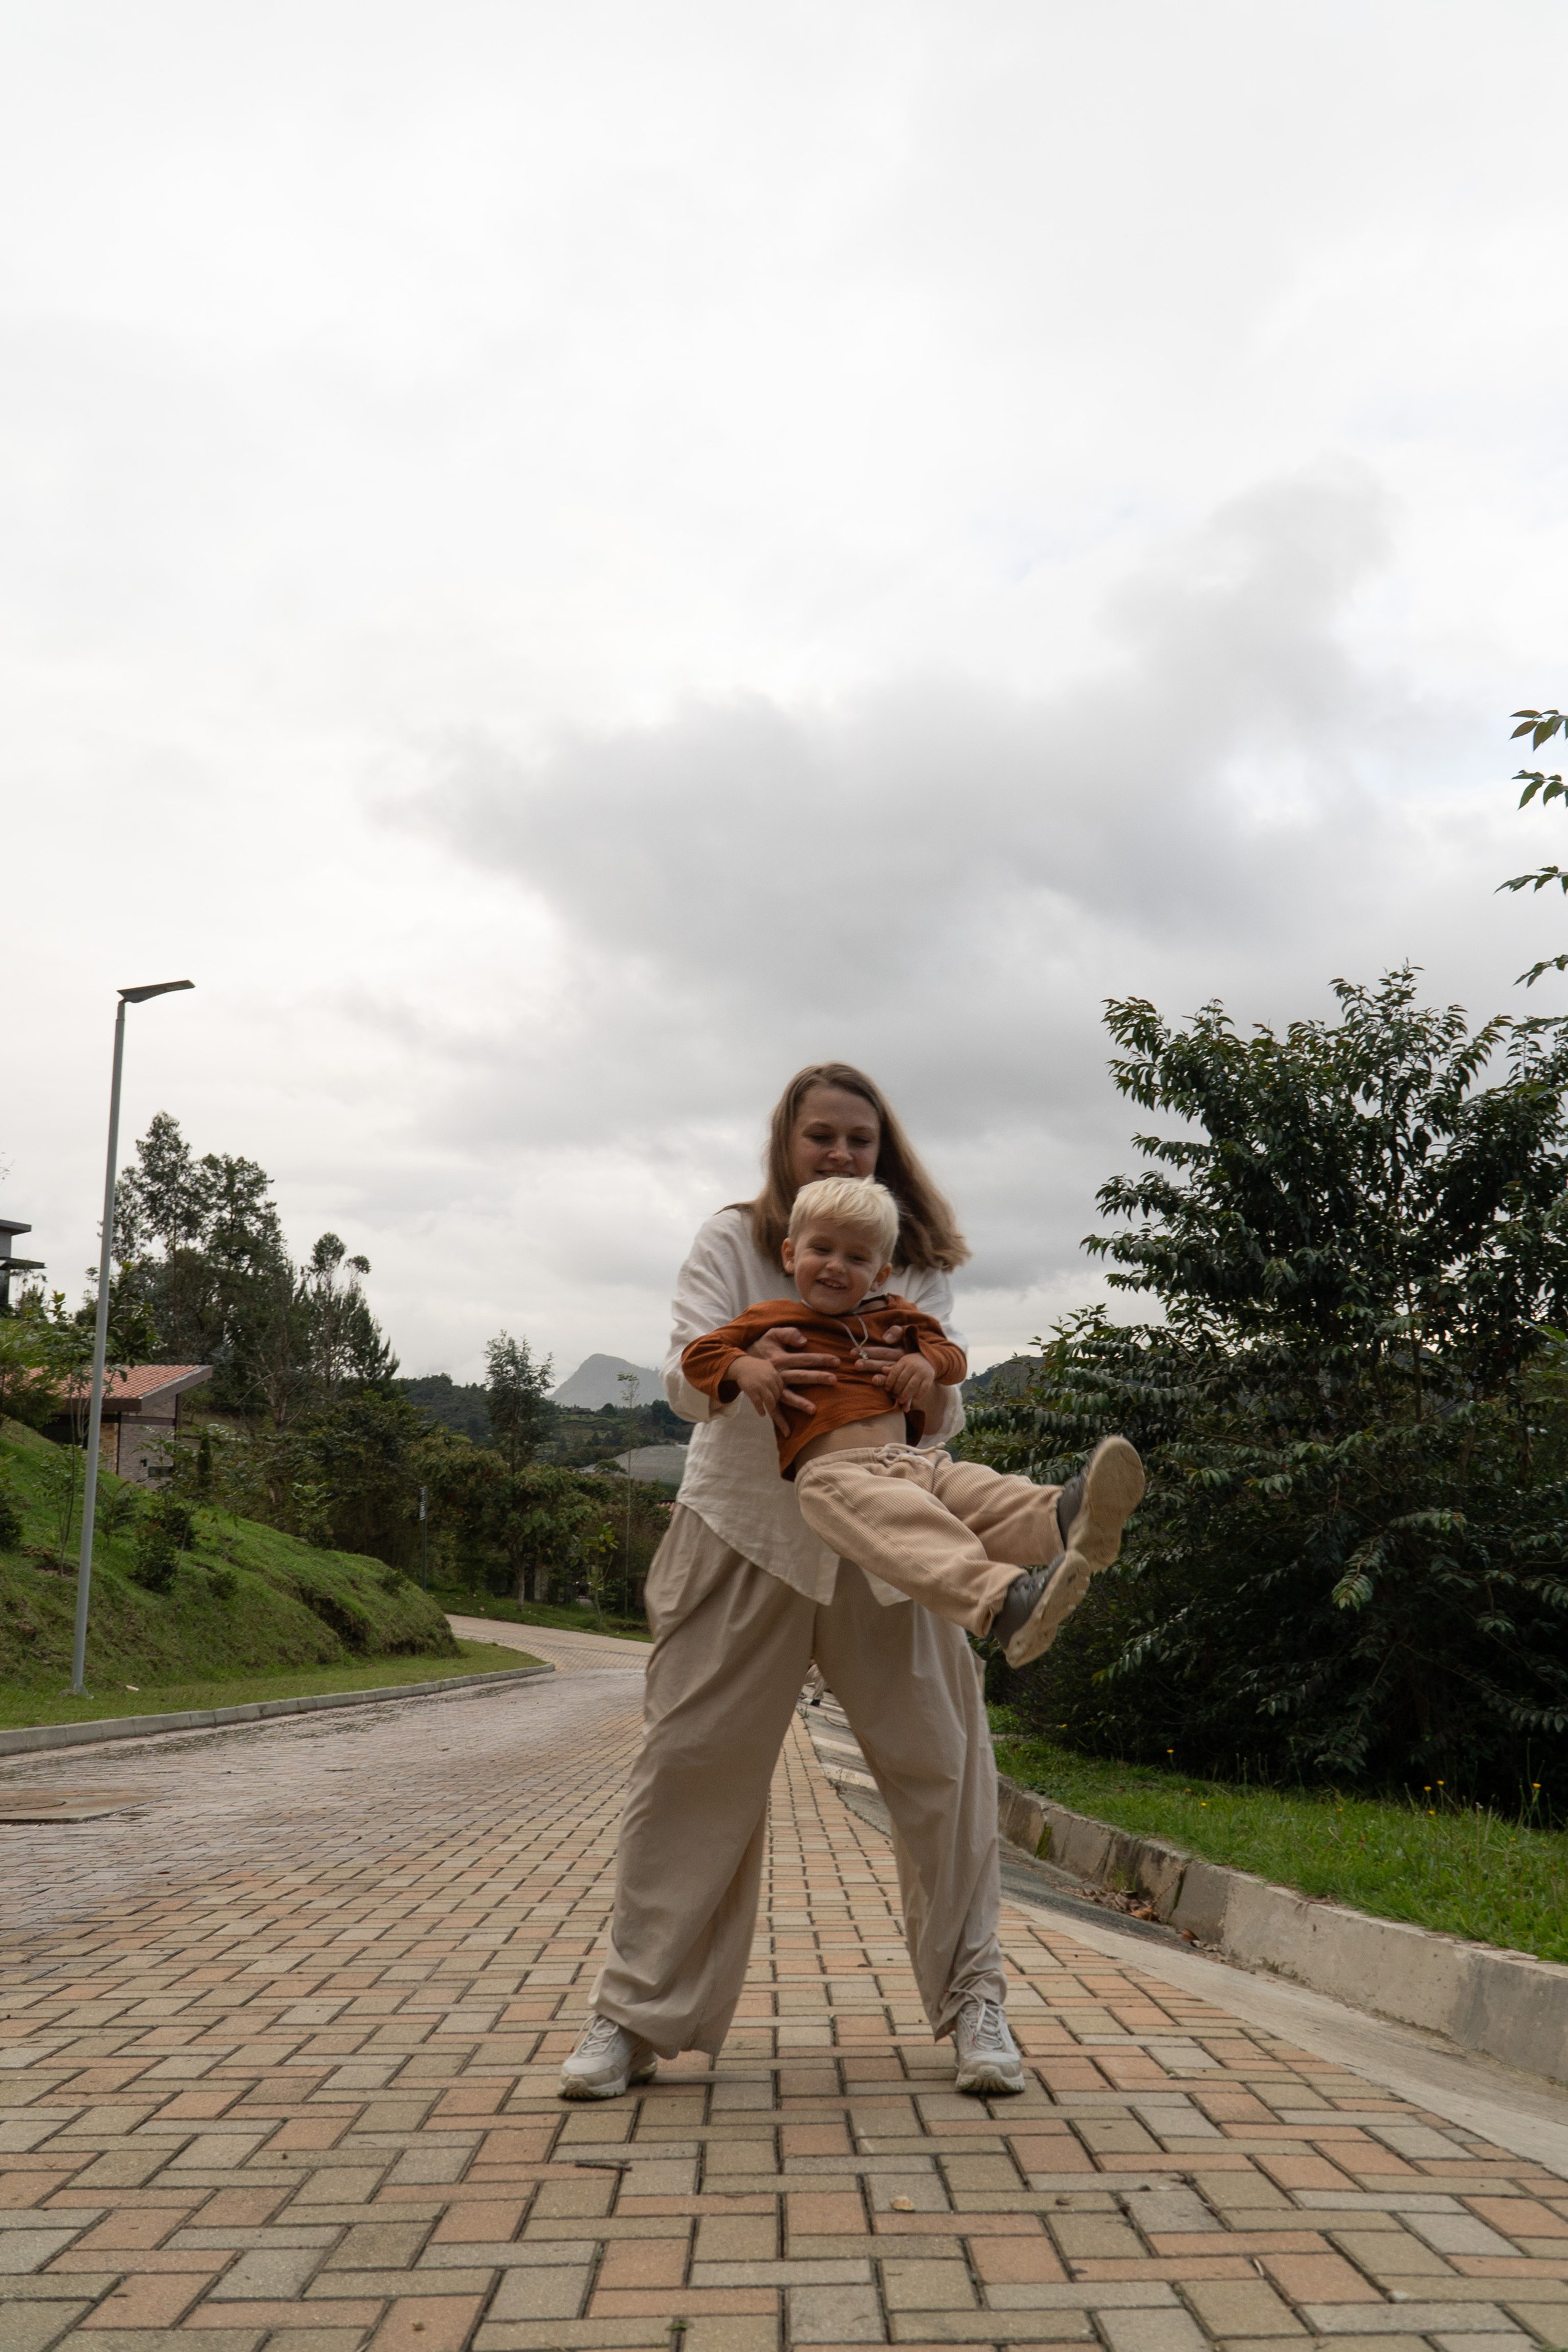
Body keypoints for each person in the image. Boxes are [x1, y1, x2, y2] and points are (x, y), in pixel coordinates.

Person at [559, 1062, 1028, 2105]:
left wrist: (922, 1384)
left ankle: (975, 2003)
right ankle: (632, 2016)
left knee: (943, 1776)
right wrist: (746, 1366)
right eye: (822, 1136)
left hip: (884, 1543)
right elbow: (686, 1376)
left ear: (884, 1150)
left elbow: (941, 1410)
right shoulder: (735, 1241)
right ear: (787, 1144)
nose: (841, 1155)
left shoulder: (912, 1257)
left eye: (859, 1140)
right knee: (689, 1770)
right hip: (739, 1535)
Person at [679, 1173, 1144, 1664]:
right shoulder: (770, 1316)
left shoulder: (897, 1315)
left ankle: (1068, 1516)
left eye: (857, 1258)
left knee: (977, 1492)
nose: (837, 1266)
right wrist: (743, 1365)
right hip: (835, 1474)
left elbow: (951, 1356)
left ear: (880, 1274)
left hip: (913, 1460)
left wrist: (925, 1364)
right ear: (791, 1254)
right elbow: (700, 1354)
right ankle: (1006, 1601)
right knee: (915, 1529)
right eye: (823, 1249)